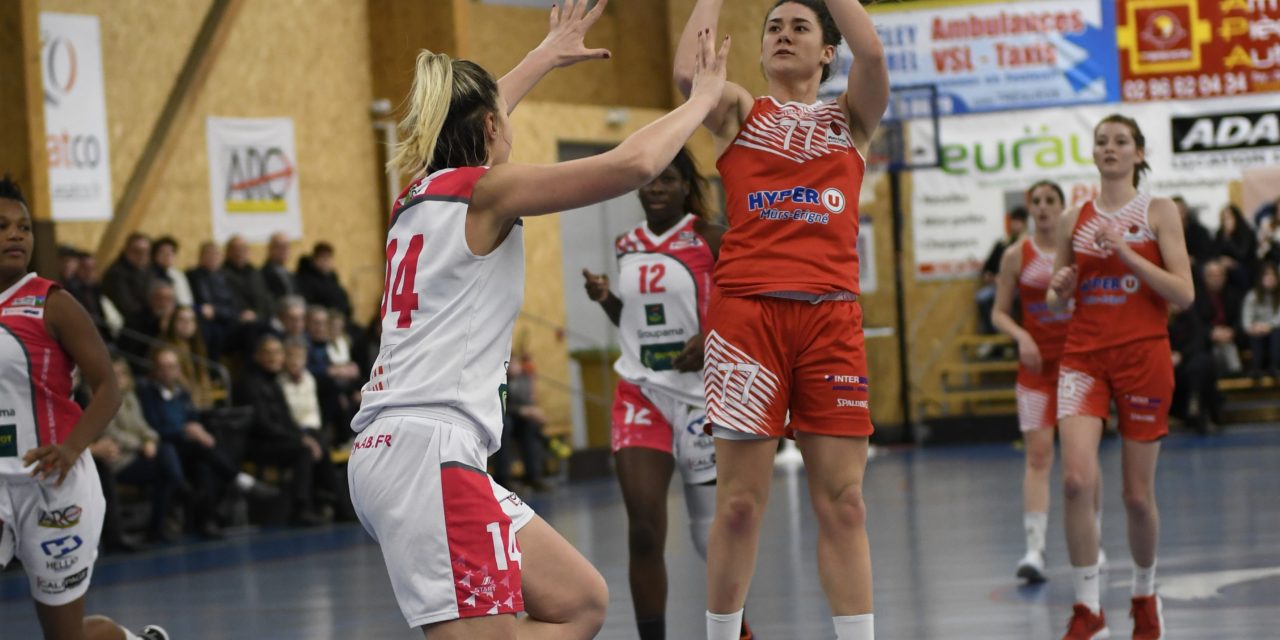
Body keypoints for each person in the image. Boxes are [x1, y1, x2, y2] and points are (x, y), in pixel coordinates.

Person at [348, 1, 728, 636]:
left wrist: (543, 56)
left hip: (419, 447)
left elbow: (474, 113)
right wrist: (701, 103)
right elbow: (632, 164)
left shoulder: (416, 195)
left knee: (581, 600)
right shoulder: (488, 191)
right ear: (494, 127)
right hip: (428, 451)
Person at [674, 1, 887, 638]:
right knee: (739, 505)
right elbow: (690, 74)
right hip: (747, 321)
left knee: (844, 503)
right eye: (774, 26)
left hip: (831, 321)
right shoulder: (741, 111)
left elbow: (872, 55)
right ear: (760, 48)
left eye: (801, 26)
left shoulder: (849, 118)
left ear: (827, 52)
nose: (784, 35)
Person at [0, 175, 168, 640]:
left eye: (24, 226)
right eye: (2, 225)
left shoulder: (52, 303)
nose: (16, 234)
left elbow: (108, 387)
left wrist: (73, 448)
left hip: (52, 483)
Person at [1046, 114, 1194, 639]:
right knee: (1074, 482)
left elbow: (1184, 293)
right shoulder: (1072, 220)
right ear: (1093, 153)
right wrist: (1060, 287)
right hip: (1085, 356)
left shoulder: (1158, 211)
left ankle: (1145, 592)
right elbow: (1056, 294)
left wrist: (1127, 250)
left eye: (1120, 141)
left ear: (1138, 152)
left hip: (1143, 356)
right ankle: (1089, 607)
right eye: (1101, 141)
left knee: (1136, 496)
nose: (1109, 148)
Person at [580, 148, 734, 640]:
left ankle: (735, 628)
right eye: (650, 180)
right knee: (644, 530)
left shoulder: (711, 239)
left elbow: (747, 310)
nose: (657, 188)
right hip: (640, 392)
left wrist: (713, 340)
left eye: (669, 179)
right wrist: (608, 300)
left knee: (712, 537)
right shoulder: (626, 244)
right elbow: (636, 321)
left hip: (701, 399)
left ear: (688, 186)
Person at [991, 181, 1107, 584]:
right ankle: (1034, 550)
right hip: (1036, 371)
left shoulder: (1078, 249)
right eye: (1036, 202)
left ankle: (1094, 537)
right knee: (1038, 457)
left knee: (1083, 460)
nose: (1042, 208)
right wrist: (1022, 336)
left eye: (1050, 201)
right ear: (1029, 209)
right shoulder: (1014, 255)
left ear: (1062, 207)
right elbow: (999, 313)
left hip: (1079, 365)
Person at [978, 206, 1028, 336]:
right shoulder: (1001, 245)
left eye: (1018, 222)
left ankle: (1016, 335)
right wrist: (991, 277)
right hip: (998, 285)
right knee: (982, 297)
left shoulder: (1027, 245)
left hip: (1019, 287)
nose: (1015, 225)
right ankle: (991, 336)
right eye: (1013, 221)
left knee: (1017, 299)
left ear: (1024, 224)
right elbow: (987, 270)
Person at [1241, 262, 1280, 380]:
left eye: (1273, 274)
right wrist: (1252, 328)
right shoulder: (1252, 296)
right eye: (1266, 274)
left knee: (1276, 334)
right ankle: (1256, 368)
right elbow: (1246, 319)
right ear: (1261, 278)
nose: (1270, 277)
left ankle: (1275, 367)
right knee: (1255, 335)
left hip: (1274, 330)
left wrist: (1268, 326)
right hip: (1257, 331)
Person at [150, 236, 194, 308]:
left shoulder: (178, 274)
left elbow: (186, 300)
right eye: (163, 252)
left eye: (171, 252)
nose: (167, 255)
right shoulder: (149, 275)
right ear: (155, 255)